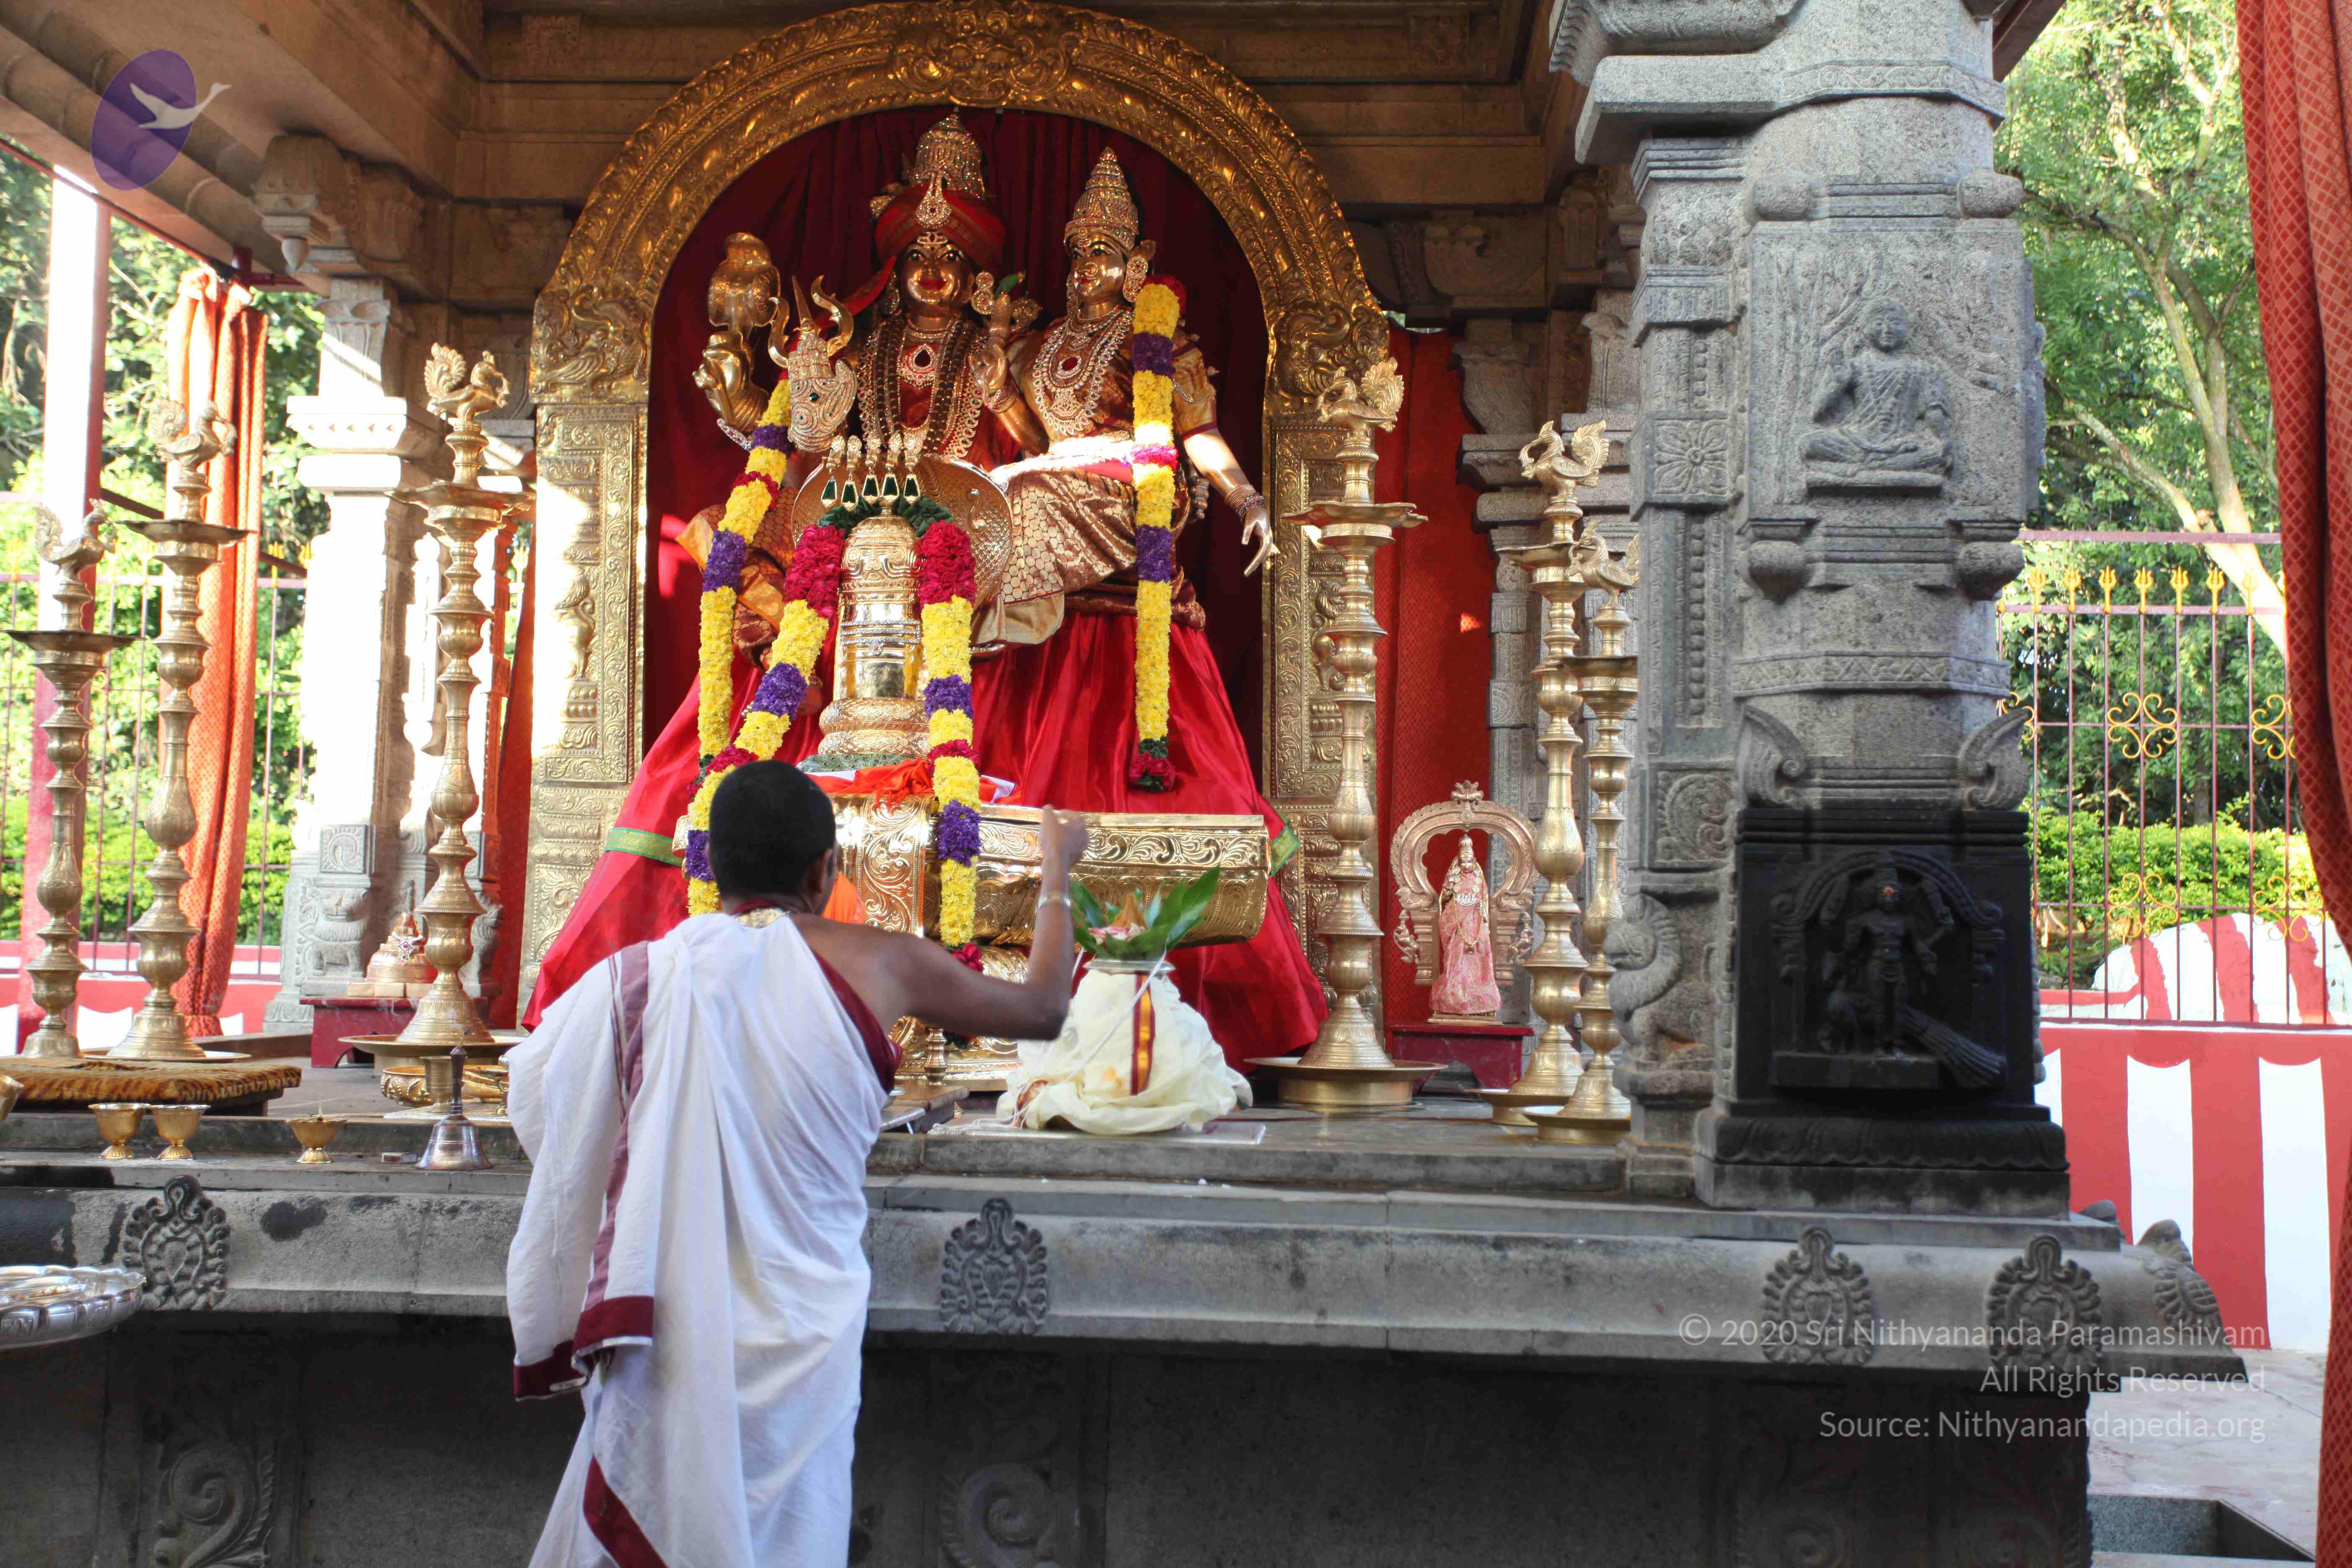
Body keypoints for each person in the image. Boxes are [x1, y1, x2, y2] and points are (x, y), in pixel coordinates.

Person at [506, 759, 1089, 1568]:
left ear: (711, 866)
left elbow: (539, 1094)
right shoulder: (883, 962)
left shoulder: (639, 978)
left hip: (672, 1332)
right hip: (805, 1325)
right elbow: (1044, 1009)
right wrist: (1057, 871)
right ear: (825, 871)